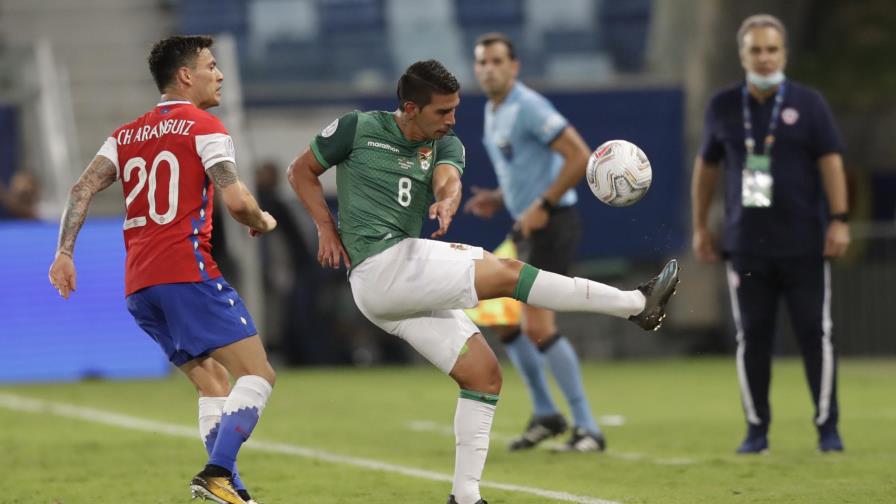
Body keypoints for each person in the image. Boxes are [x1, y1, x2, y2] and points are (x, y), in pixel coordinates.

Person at [287, 59, 679, 504]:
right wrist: (323, 226)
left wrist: (448, 200)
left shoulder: (445, 144)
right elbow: (300, 171)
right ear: (411, 108)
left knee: (484, 376)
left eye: (455, 109)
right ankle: (635, 303)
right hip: (380, 268)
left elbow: (447, 180)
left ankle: (465, 497)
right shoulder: (357, 129)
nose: (453, 120)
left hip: (394, 282)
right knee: (507, 273)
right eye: (442, 111)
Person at [47, 35, 277, 504]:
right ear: (186, 75)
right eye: (211, 66)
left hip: (139, 285)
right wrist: (261, 219)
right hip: (186, 271)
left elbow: (80, 189)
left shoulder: (126, 134)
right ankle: (217, 474)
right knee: (258, 375)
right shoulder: (205, 126)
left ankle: (231, 490)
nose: (220, 74)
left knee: (212, 382)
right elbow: (236, 200)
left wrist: (64, 253)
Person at [691, 14, 850, 454]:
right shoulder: (723, 105)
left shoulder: (810, 103)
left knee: (815, 335)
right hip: (745, 246)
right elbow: (706, 168)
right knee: (752, 338)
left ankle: (827, 428)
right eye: (756, 50)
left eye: (772, 49)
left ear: (784, 53)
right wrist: (702, 226)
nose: (765, 58)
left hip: (804, 243)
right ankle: (756, 430)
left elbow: (831, 162)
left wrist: (839, 218)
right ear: (742, 55)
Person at [465, 32, 605, 452]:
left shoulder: (528, 106)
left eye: (496, 61)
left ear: (514, 66)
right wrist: (500, 197)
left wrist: (544, 202)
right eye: (482, 62)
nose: (489, 68)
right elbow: (524, 168)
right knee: (504, 320)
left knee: (539, 326)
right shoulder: (495, 110)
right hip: (526, 224)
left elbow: (580, 155)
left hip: (553, 223)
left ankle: (588, 427)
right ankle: (546, 414)